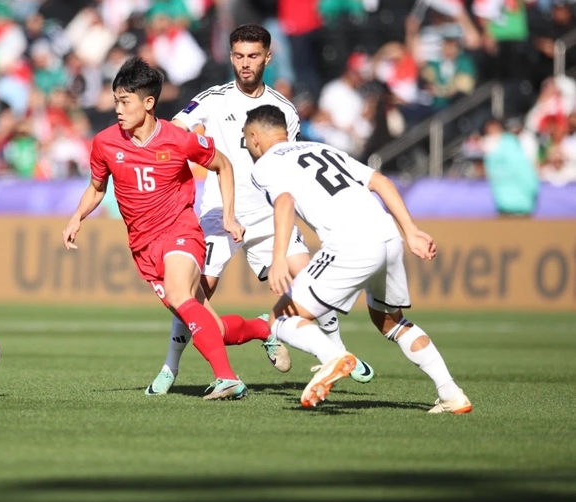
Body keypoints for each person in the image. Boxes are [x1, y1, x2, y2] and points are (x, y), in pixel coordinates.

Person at [146, 24, 374, 396]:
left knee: (311, 279)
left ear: (268, 57)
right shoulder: (214, 99)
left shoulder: (283, 109)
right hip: (220, 213)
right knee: (191, 295)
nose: (245, 64)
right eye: (238, 56)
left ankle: (338, 354)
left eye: (253, 56)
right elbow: (175, 128)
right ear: (230, 56)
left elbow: (290, 164)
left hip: (269, 215)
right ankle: (171, 366)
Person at [61, 57, 269, 400]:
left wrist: (229, 216)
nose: (118, 109)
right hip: (143, 247)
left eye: (125, 101)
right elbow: (97, 188)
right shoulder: (105, 143)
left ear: (148, 102)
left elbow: (224, 165)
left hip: (180, 231)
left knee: (178, 294)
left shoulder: (179, 139)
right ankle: (264, 328)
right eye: (115, 101)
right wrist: (76, 217)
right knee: (208, 325)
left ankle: (227, 378)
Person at [244, 104, 471, 414]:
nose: (248, 147)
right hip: (388, 235)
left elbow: (284, 202)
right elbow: (380, 181)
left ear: (255, 137)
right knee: (391, 322)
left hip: (350, 242)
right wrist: (411, 230)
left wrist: (279, 258)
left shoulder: (266, 164)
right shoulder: (321, 147)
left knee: (281, 319)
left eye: (246, 140)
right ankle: (451, 393)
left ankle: (332, 357)